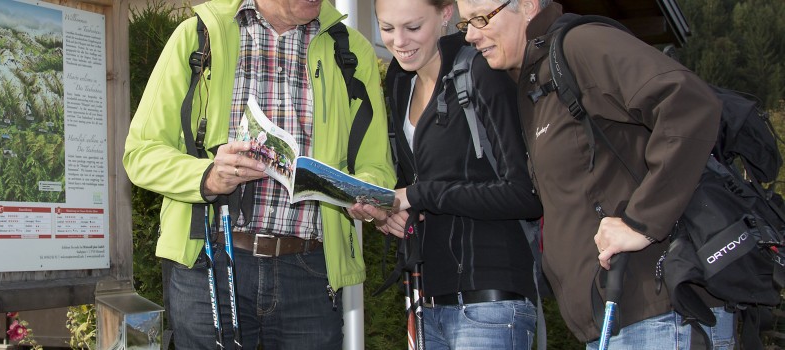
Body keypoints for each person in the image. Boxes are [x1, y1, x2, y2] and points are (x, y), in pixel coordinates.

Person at [451, 0, 736, 348]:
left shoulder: (579, 46)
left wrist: (640, 222)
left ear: (526, 6)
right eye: (465, 25)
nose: (472, 36)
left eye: (481, 19)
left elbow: (689, 102)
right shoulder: (534, 81)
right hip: (617, 322)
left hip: (657, 315)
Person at [122, 0, 394, 348]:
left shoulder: (352, 50)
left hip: (310, 271)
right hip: (210, 263)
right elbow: (141, 152)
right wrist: (207, 176)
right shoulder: (198, 35)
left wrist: (365, 192)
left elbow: (377, 166)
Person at [351, 0, 542, 348]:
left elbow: (526, 193)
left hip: (491, 302)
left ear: (446, 15)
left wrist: (418, 194)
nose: (399, 42)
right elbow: (413, 182)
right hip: (425, 302)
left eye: (413, 28)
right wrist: (389, 212)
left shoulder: (482, 70)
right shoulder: (398, 81)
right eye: (387, 28)